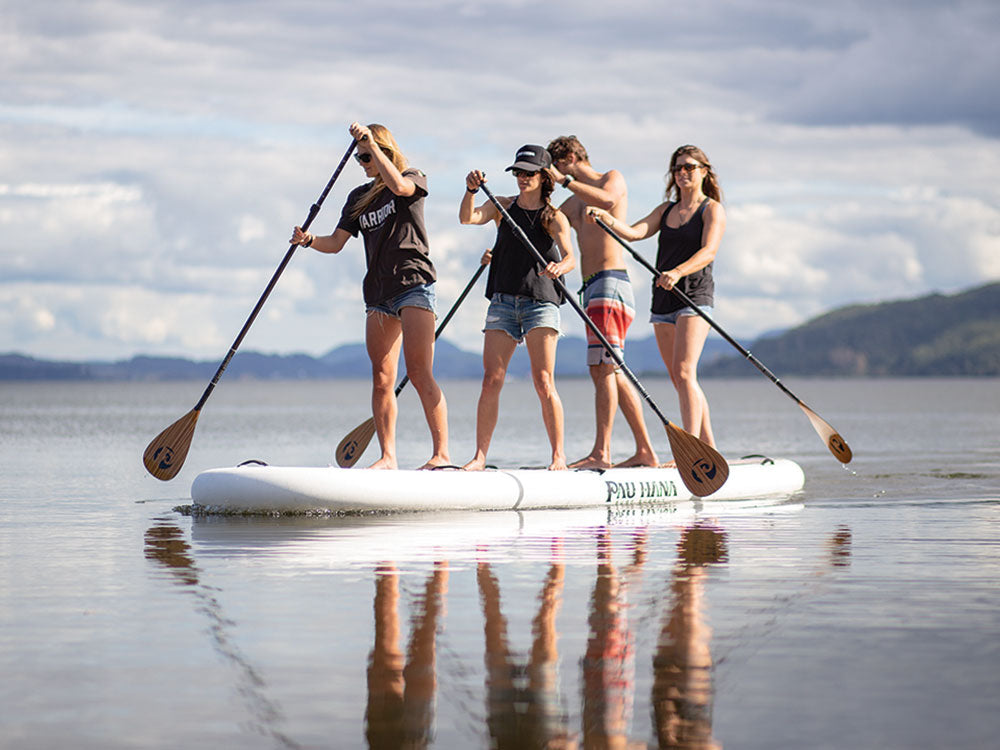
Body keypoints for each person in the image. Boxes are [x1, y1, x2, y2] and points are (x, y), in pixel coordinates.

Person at [291, 122, 449, 470]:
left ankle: (441, 454)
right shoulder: (357, 198)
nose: (362, 162)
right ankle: (388, 457)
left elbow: (400, 187)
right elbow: (335, 243)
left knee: (420, 371)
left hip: (414, 283)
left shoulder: (412, 174)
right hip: (378, 294)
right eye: (359, 157)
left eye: (367, 155)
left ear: (384, 150)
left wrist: (373, 146)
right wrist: (308, 240)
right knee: (381, 378)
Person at [587, 145, 725, 449]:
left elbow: (708, 251)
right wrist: (607, 219)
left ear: (704, 170)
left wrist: (677, 271)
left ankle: (691, 448)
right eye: (677, 168)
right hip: (663, 300)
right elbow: (635, 233)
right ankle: (709, 446)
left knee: (686, 372)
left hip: (694, 297)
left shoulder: (711, 209)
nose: (683, 173)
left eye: (689, 167)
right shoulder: (666, 210)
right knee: (679, 378)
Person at [545, 135, 659, 469]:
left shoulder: (611, 178)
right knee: (608, 371)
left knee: (603, 369)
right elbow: (548, 223)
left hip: (612, 283)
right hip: (590, 288)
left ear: (568, 157)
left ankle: (602, 453)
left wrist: (563, 180)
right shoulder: (573, 204)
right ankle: (645, 452)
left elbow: (609, 201)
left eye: (554, 166)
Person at [460, 145, 576, 471]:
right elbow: (468, 217)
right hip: (503, 301)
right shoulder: (502, 206)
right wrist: (470, 191)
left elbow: (570, 257)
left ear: (544, 177)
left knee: (543, 381)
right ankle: (479, 458)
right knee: (491, 380)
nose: (523, 178)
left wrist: (559, 268)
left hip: (541, 302)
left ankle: (558, 458)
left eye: (530, 173)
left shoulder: (554, 216)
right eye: (519, 173)